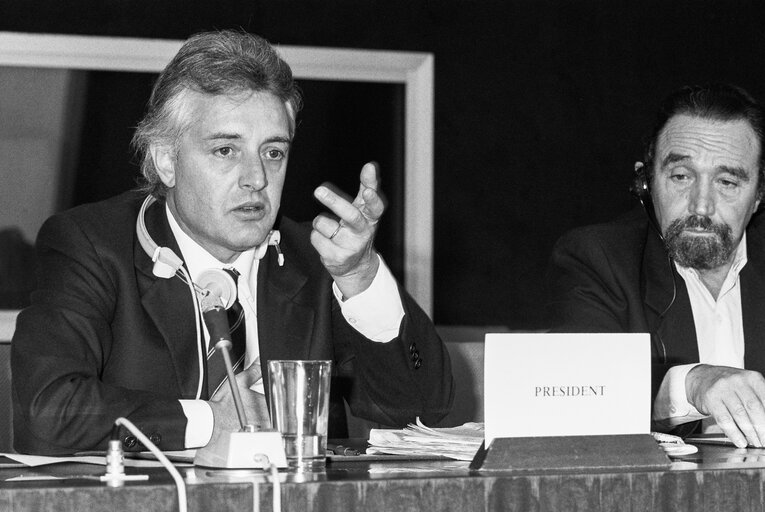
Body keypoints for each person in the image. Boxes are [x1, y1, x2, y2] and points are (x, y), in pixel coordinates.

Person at [11, 30, 453, 455]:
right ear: (167, 160)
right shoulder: (92, 245)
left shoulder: (315, 259)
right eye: (226, 150)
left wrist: (360, 276)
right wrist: (209, 421)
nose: (257, 178)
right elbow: (47, 411)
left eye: (273, 152)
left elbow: (420, 411)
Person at [547, 83, 765, 448]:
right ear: (646, 182)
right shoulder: (598, 258)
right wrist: (693, 383)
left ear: (759, 195)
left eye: (727, 182)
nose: (701, 205)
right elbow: (581, 393)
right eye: (681, 176)